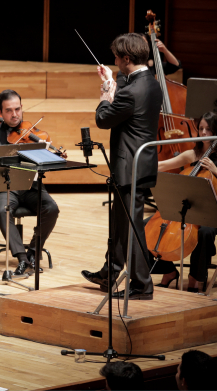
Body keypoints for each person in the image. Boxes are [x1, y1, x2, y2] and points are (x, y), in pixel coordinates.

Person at [82, 33, 162, 300]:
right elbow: (128, 102)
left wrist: (106, 90)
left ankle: (141, 285)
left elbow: (103, 118)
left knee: (130, 228)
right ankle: (109, 273)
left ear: (127, 58)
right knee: (120, 222)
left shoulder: (131, 91)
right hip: (141, 163)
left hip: (130, 168)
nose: (114, 60)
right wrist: (112, 81)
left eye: (117, 57)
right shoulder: (149, 82)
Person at [0, 89, 60, 276]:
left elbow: (46, 162)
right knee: (3, 210)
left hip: (31, 186)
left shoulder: (33, 133)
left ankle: (33, 251)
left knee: (52, 208)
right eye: (9, 110)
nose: (15, 114)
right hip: (3, 188)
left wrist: (47, 156)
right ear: (0, 111)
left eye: (17, 109)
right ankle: (22, 259)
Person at [150, 112, 217, 293]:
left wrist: (215, 170)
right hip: (189, 210)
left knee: (204, 232)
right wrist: (139, 164)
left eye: (208, 129)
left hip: (215, 211)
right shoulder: (193, 154)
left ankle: (196, 279)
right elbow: (162, 166)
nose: (204, 133)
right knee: (147, 226)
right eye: (201, 129)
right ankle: (169, 272)